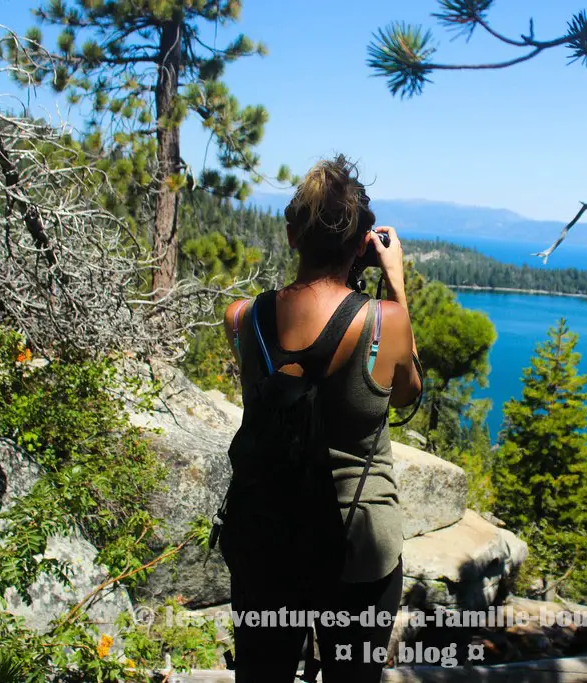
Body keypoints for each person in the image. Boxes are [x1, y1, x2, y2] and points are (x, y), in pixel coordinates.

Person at [223, 154, 423, 683]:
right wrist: (395, 282)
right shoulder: (386, 322)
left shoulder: (242, 318)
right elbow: (408, 394)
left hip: (265, 536)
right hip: (358, 546)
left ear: (292, 237)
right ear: (363, 244)